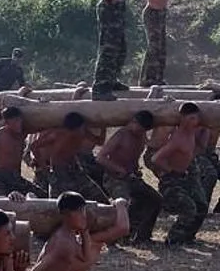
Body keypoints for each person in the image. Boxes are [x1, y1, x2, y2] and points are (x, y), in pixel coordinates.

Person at [96, 110, 163, 245]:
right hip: (114, 178)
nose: (138, 131)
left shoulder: (141, 135)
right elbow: (101, 157)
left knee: (155, 199)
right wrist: (118, 169)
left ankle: (142, 236)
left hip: (131, 177)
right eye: (137, 127)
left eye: (142, 130)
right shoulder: (121, 135)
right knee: (122, 203)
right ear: (133, 121)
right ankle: (113, 238)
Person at [151, 102, 208, 245]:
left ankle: (188, 237)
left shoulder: (192, 132)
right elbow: (155, 159)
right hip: (171, 181)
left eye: (196, 118)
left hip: (185, 176)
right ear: (183, 119)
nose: (196, 122)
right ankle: (173, 240)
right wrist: (171, 171)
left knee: (202, 205)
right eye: (192, 119)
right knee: (189, 208)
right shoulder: (177, 139)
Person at [29, 112, 108, 202]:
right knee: (59, 203)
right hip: (59, 172)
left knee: (98, 197)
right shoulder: (57, 135)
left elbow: (100, 141)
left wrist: (103, 127)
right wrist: (45, 168)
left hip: (76, 169)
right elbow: (34, 146)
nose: (83, 130)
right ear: (75, 129)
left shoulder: (83, 133)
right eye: (82, 128)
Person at [0, 106, 45, 197]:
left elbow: (41, 127)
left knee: (42, 195)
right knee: (7, 202)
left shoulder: (22, 133)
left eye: (20, 121)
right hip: (0, 178)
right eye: (15, 121)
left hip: (17, 178)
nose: (18, 124)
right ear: (7, 123)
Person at [139, 0, 184, 86]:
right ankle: (147, 79)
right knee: (154, 46)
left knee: (161, 47)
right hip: (153, 12)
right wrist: (152, 3)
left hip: (160, 13)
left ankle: (157, 78)